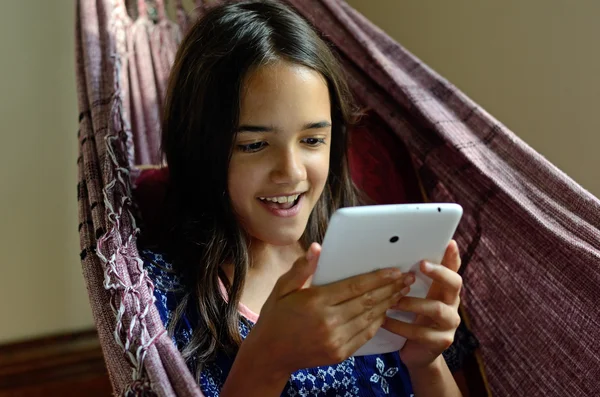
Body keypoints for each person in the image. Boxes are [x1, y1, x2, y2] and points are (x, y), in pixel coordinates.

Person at [141, 1, 464, 395]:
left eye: (312, 140)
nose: (291, 172)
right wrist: (268, 359)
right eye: (255, 144)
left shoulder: (371, 257)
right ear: (198, 147)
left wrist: (426, 361)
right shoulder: (159, 295)